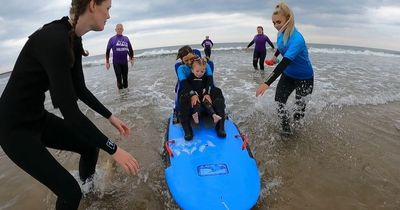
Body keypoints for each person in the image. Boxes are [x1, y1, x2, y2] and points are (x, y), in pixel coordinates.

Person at [0, 1, 140, 209]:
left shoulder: (72, 39)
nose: (109, 15)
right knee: (69, 191)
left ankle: (89, 195)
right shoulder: (54, 39)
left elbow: (80, 89)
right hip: (13, 129)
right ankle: (78, 196)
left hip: (37, 118)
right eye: (108, 8)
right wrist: (114, 149)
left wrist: (110, 116)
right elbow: (70, 113)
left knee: (90, 147)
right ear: (93, 5)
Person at [256, 2, 314, 134]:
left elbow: (285, 63)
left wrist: (267, 83)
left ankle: (298, 133)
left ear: (288, 19)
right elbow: (281, 47)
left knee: (299, 111)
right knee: (279, 102)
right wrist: (273, 58)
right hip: (288, 75)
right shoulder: (280, 33)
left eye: (278, 22)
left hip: (305, 78)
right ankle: (286, 130)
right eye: (274, 23)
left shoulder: (297, 39)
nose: (276, 26)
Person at [176, 46, 226, 140]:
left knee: (218, 91)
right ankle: (187, 129)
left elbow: (210, 79)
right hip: (189, 89)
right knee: (184, 96)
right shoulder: (181, 68)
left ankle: (220, 126)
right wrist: (192, 94)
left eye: (191, 58)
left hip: (204, 88)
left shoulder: (203, 64)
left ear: (194, 54)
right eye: (186, 60)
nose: (189, 62)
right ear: (182, 60)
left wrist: (207, 93)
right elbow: (184, 83)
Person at [183, 55, 222, 125]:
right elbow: (188, 86)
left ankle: (214, 115)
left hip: (203, 95)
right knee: (196, 104)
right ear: (192, 70)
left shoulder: (205, 77)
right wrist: (192, 93)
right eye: (197, 71)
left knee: (208, 104)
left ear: (205, 70)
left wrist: (206, 91)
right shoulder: (190, 77)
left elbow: (208, 85)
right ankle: (195, 115)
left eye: (202, 71)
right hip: (195, 96)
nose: (199, 73)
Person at [105, 23, 134, 91]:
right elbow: (108, 51)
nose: (119, 30)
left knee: (125, 79)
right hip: (116, 63)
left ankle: (126, 96)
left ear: (123, 29)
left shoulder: (126, 39)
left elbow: (130, 49)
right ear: (115, 30)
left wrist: (131, 57)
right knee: (119, 79)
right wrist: (107, 62)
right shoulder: (112, 39)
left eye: (121, 29)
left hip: (124, 62)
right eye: (118, 29)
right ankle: (121, 95)